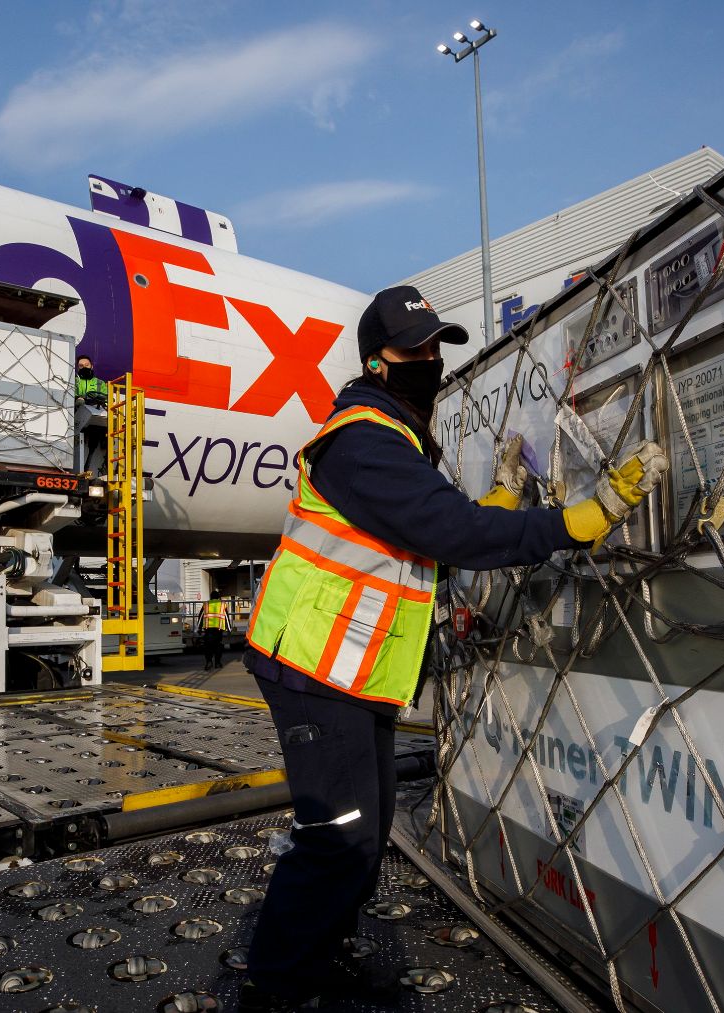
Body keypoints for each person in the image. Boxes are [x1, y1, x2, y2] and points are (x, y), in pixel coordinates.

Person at [238, 285, 665, 1011]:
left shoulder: (396, 436)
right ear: (376, 363)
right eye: (415, 350)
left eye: (436, 346)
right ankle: (275, 989)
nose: (430, 360)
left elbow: (430, 532)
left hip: (352, 670)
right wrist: (581, 519)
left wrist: (494, 507)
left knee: (367, 833)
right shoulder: (363, 441)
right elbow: (451, 531)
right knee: (337, 838)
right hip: (314, 666)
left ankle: (316, 961)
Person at [201, 592, 228, 671]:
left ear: (210, 597)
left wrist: (198, 628)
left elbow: (200, 617)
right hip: (218, 629)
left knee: (208, 646)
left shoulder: (206, 604)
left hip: (208, 629)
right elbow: (226, 617)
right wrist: (229, 629)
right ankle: (217, 663)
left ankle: (209, 662)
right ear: (218, 597)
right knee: (218, 646)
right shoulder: (222, 604)